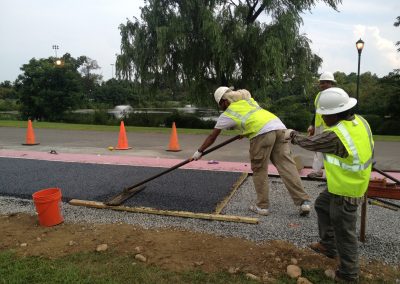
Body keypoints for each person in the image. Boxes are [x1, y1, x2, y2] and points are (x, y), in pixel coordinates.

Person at [286, 87, 374, 282]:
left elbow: (310, 143)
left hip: (346, 189)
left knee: (345, 233)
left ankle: (348, 274)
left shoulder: (336, 135)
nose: (323, 120)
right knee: (321, 205)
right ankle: (328, 245)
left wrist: (292, 135)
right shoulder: (361, 122)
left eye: (325, 116)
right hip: (348, 183)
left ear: (335, 114)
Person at [191, 86, 311, 216]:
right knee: (287, 166)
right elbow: (253, 117)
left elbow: (212, 136)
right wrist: (245, 132)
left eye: (220, 105)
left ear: (223, 102)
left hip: (262, 134)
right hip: (279, 128)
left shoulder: (227, 113)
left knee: (259, 170)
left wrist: (199, 152)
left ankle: (262, 206)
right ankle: (303, 202)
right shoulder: (249, 100)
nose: (221, 108)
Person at [307, 71, 336, 178]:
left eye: (325, 82)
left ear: (331, 83)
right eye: (321, 82)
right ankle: (317, 170)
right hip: (319, 126)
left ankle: (331, 172)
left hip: (331, 127)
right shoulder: (319, 96)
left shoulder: (336, 95)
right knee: (317, 147)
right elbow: (316, 111)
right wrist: (312, 125)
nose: (322, 85)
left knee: (330, 149)